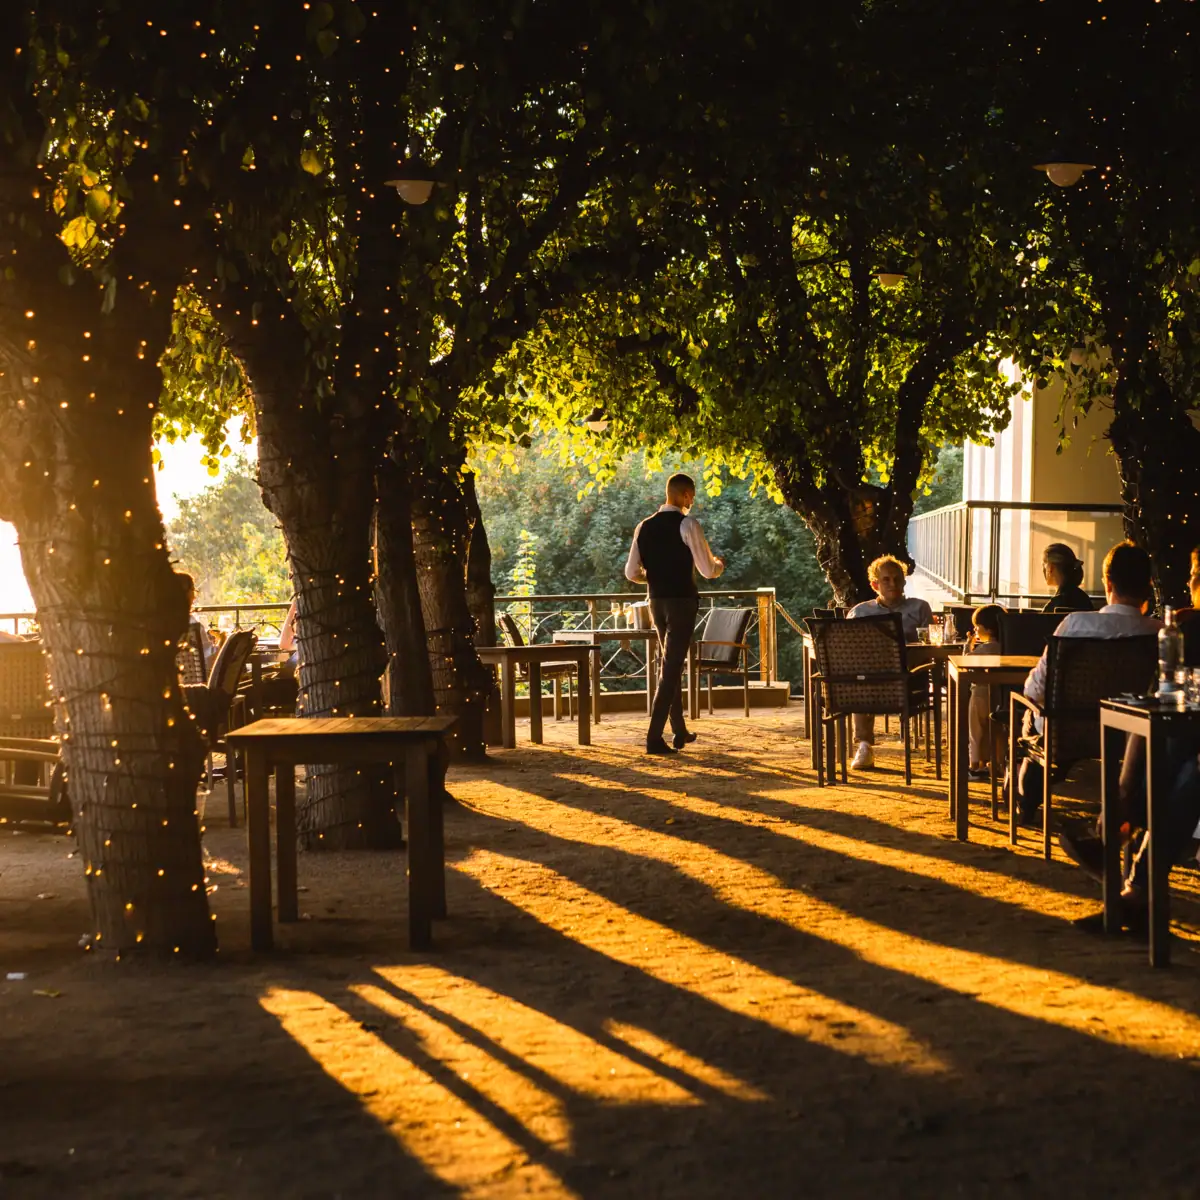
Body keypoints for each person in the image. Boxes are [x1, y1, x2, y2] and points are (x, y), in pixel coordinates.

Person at [1012, 541, 1161, 825]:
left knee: (1031, 717)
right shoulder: (1158, 634)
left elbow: (1034, 690)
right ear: (1148, 585)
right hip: (1130, 740)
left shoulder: (1074, 625)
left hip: (1067, 733)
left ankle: (1025, 802)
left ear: (1107, 582)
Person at [625, 472, 724, 755]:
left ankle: (678, 730)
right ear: (684, 496)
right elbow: (707, 570)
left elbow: (632, 573)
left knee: (669, 663)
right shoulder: (688, 524)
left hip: (656, 602)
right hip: (681, 603)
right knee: (670, 669)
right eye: (691, 496)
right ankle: (654, 737)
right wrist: (719, 564)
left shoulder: (643, 526)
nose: (692, 501)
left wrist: (654, 575)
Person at [846, 555, 932, 770]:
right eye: (886, 579)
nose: (893, 584)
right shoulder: (860, 612)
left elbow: (930, 645)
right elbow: (848, 651)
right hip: (871, 678)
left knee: (861, 683)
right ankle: (864, 744)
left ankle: (865, 746)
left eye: (897, 579)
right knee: (860, 681)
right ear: (875, 584)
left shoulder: (920, 608)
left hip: (909, 677)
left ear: (904, 581)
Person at [966, 603, 1005, 781]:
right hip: (1000, 694)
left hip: (980, 693)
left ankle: (974, 764)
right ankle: (995, 764)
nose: (975, 630)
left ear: (987, 629)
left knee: (976, 731)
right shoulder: (1005, 647)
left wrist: (969, 645)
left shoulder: (985, 648)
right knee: (996, 731)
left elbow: (966, 663)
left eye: (977, 627)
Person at [177, 572, 216, 676]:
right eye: (193, 591)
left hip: (174, 683)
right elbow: (208, 660)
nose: (194, 597)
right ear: (187, 594)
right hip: (197, 685)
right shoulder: (192, 624)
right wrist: (222, 642)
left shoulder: (160, 624)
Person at [1040, 543, 1093, 613]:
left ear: (1051, 568)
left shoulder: (1054, 605)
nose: (1043, 569)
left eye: (1044, 565)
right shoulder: (1084, 598)